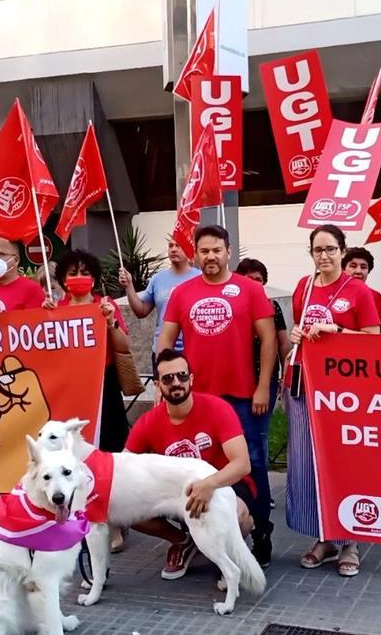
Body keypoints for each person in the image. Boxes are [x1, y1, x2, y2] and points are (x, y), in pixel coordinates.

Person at [159, 225, 276, 567]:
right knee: (197, 466)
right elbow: (165, 342)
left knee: (252, 465)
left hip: (242, 396)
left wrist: (263, 385)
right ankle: (200, 534)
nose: (211, 256)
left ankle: (261, 534)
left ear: (228, 252)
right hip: (196, 400)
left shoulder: (250, 290)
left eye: (217, 250)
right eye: (204, 251)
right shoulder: (182, 293)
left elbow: (268, 339)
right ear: (196, 254)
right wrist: (164, 381)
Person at [286, 224, 381, 577]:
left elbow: (374, 340)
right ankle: (323, 536)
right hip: (303, 383)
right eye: (317, 250)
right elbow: (300, 329)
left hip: (345, 393)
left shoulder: (358, 291)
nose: (323, 256)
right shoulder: (303, 287)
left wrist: (338, 332)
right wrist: (297, 334)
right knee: (308, 464)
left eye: (330, 249)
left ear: (343, 251)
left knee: (344, 462)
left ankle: (350, 541)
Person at [124, 348, 254, 579]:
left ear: (191, 378)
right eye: (167, 378)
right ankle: (182, 541)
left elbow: (242, 464)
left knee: (239, 516)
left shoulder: (217, 408)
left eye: (182, 376)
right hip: (175, 493)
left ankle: (226, 555)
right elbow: (123, 465)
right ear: (157, 385)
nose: (176, 382)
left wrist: (210, 484)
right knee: (126, 507)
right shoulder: (148, 422)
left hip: (224, 484)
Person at [50, 248, 132, 551]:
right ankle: (75, 518)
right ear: (62, 279)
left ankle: (114, 526)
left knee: (107, 454)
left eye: (85, 273)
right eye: (73, 273)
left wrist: (110, 323)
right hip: (68, 390)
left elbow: (123, 346)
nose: (79, 278)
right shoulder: (54, 308)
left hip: (104, 387)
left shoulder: (105, 306)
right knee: (72, 457)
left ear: (95, 279)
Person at [234, 258, 291, 503]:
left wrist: (284, 377)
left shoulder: (271, 307)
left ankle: (261, 491)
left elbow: (282, 343)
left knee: (260, 436)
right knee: (234, 435)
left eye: (258, 280)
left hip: (263, 381)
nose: (254, 284)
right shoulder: (232, 307)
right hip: (234, 382)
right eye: (248, 280)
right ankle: (237, 488)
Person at [120, 236, 202, 372]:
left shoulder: (200, 278)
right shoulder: (157, 279)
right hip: (162, 350)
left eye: (178, 246)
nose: (173, 249)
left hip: (193, 350)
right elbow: (141, 311)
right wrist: (129, 286)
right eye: (171, 246)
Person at [342, 247, 381, 317]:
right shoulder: (334, 293)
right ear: (343, 269)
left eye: (363, 267)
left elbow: (375, 327)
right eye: (353, 266)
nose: (358, 271)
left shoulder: (375, 297)